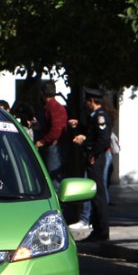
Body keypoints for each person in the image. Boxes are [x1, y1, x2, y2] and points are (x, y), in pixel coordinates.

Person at [71, 88, 112, 242]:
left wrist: (93, 154)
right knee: (94, 195)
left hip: (97, 158)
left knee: (99, 196)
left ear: (92, 101)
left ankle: (103, 231)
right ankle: (97, 230)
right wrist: (79, 127)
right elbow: (93, 134)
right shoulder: (93, 116)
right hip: (92, 157)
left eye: (87, 100)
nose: (85, 103)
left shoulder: (100, 117)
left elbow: (103, 140)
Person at [35, 81, 68, 191]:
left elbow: (56, 130)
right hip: (57, 146)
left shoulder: (52, 107)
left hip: (54, 147)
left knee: (54, 181)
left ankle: (58, 205)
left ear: (42, 94)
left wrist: (43, 141)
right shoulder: (54, 107)